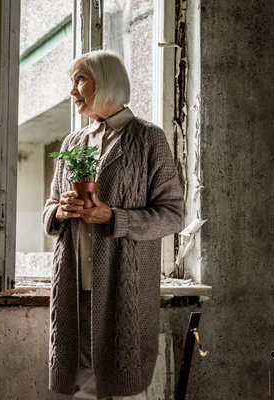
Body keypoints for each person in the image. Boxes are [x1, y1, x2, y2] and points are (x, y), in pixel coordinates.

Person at [42, 50, 184, 400]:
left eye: (80, 80)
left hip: (124, 284)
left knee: (116, 387)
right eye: (72, 82)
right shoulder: (73, 143)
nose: (72, 91)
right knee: (78, 383)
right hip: (74, 284)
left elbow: (172, 215)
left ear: (105, 82)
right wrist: (61, 210)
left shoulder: (149, 138)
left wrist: (113, 217)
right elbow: (49, 206)